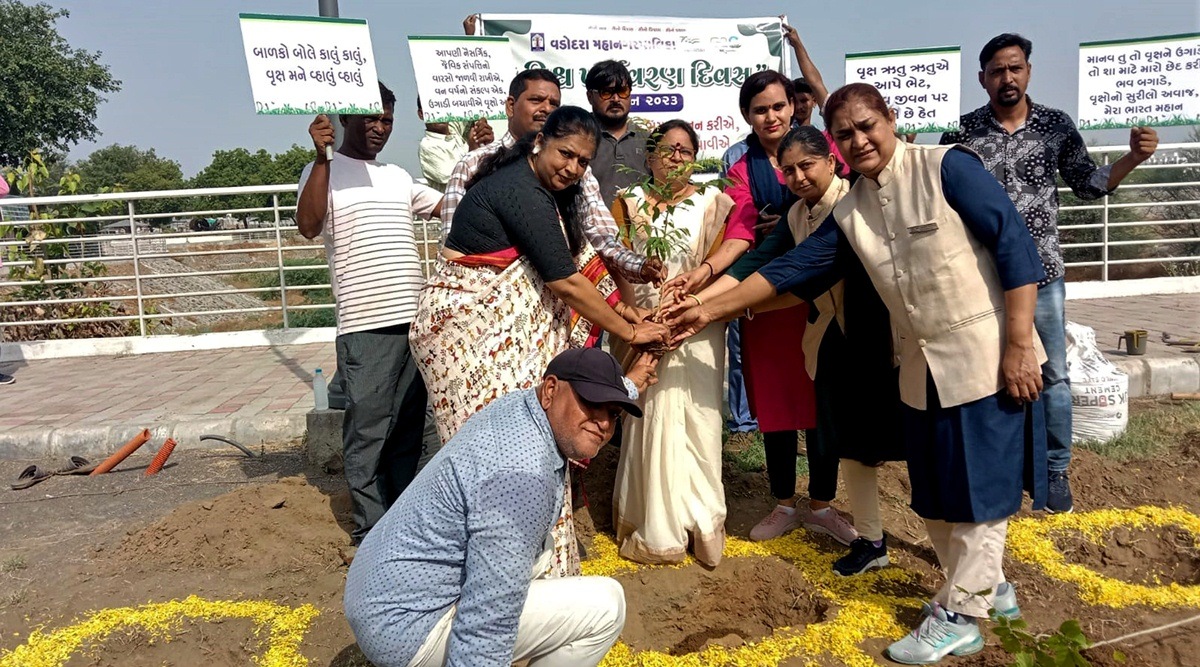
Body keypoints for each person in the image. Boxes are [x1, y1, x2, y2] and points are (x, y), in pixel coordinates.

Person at [669, 82, 1047, 664]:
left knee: (979, 490)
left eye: (867, 126)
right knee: (938, 494)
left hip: (985, 355)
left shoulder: (947, 168)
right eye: (845, 133)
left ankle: (961, 612)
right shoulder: (852, 209)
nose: (859, 139)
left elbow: (1015, 245)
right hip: (919, 367)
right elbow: (799, 266)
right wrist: (705, 309)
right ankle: (989, 589)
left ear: (890, 119)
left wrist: (1020, 342)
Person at [412, 106, 670, 576]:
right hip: (472, 333)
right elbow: (568, 283)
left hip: (500, 336)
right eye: (565, 153)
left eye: (583, 162)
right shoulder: (520, 189)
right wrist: (631, 330)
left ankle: (532, 566)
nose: (572, 168)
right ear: (539, 142)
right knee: (498, 452)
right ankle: (489, 567)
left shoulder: (551, 195)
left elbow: (590, 259)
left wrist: (630, 306)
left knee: (532, 443)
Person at [940, 33, 1159, 514]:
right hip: (979, 274)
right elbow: (938, 193)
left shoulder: (1056, 126)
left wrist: (1134, 157)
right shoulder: (962, 131)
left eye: (1015, 68)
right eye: (997, 70)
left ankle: (1056, 470)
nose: (1007, 78)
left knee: (1053, 374)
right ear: (982, 79)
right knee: (984, 373)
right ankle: (1001, 467)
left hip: (1042, 272)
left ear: (1029, 72)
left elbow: (1088, 183)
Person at [676, 125, 903, 575]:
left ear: (832, 162)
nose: (798, 176)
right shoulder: (799, 214)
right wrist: (700, 296)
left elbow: (801, 281)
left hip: (873, 336)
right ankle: (867, 537)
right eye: (788, 170)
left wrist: (713, 309)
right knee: (838, 435)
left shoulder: (850, 206)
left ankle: (968, 572)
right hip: (829, 334)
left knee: (869, 443)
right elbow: (758, 263)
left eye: (807, 166)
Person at [345, 348, 649, 667]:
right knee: (605, 607)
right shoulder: (521, 479)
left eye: (614, 412)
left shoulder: (521, 408)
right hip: (405, 630)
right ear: (550, 391)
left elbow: (590, 407)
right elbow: (487, 624)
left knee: (538, 552)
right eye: (591, 402)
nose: (602, 422)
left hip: (382, 595)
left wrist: (629, 384)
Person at [688, 71, 855, 546]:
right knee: (777, 404)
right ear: (747, 116)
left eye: (779, 106)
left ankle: (822, 503)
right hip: (762, 299)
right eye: (760, 110)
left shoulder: (824, 147)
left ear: (794, 106)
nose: (772, 116)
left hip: (823, 298)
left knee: (825, 405)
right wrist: (706, 288)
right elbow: (742, 229)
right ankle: (783, 501)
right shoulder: (740, 165)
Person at [296, 81, 443, 548]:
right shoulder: (323, 171)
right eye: (371, 118)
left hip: (413, 323)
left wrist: (481, 155)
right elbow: (308, 225)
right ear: (345, 120)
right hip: (367, 324)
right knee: (369, 430)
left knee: (406, 427)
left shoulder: (398, 176)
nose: (380, 128)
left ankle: (399, 521)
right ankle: (371, 532)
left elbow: (449, 206)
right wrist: (321, 158)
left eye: (387, 120)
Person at [609, 120, 747, 566]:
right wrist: (637, 316)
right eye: (667, 151)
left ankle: (703, 519)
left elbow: (725, 264)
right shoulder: (628, 204)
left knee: (700, 418)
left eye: (686, 152)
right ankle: (656, 525)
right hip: (645, 324)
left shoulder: (714, 202)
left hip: (697, 322)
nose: (677, 159)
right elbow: (615, 263)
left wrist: (692, 302)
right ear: (648, 158)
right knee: (648, 414)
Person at [441, 69, 665, 285]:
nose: (546, 109)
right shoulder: (473, 164)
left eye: (554, 104)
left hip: (558, 303)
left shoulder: (576, 171)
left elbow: (600, 232)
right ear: (511, 106)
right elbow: (453, 248)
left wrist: (639, 265)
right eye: (536, 100)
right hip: (491, 302)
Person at [584, 60, 650, 208]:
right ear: (590, 97)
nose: (615, 99)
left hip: (640, 229)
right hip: (590, 229)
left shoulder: (649, 141)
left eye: (622, 91)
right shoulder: (578, 138)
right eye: (606, 92)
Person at [416, 98, 493, 192]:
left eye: (443, 106)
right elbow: (458, 180)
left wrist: (481, 125)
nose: (439, 112)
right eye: (432, 107)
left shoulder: (454, 131)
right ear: (421, 114)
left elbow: (470, 107)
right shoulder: (428, 146)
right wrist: (473, 151)